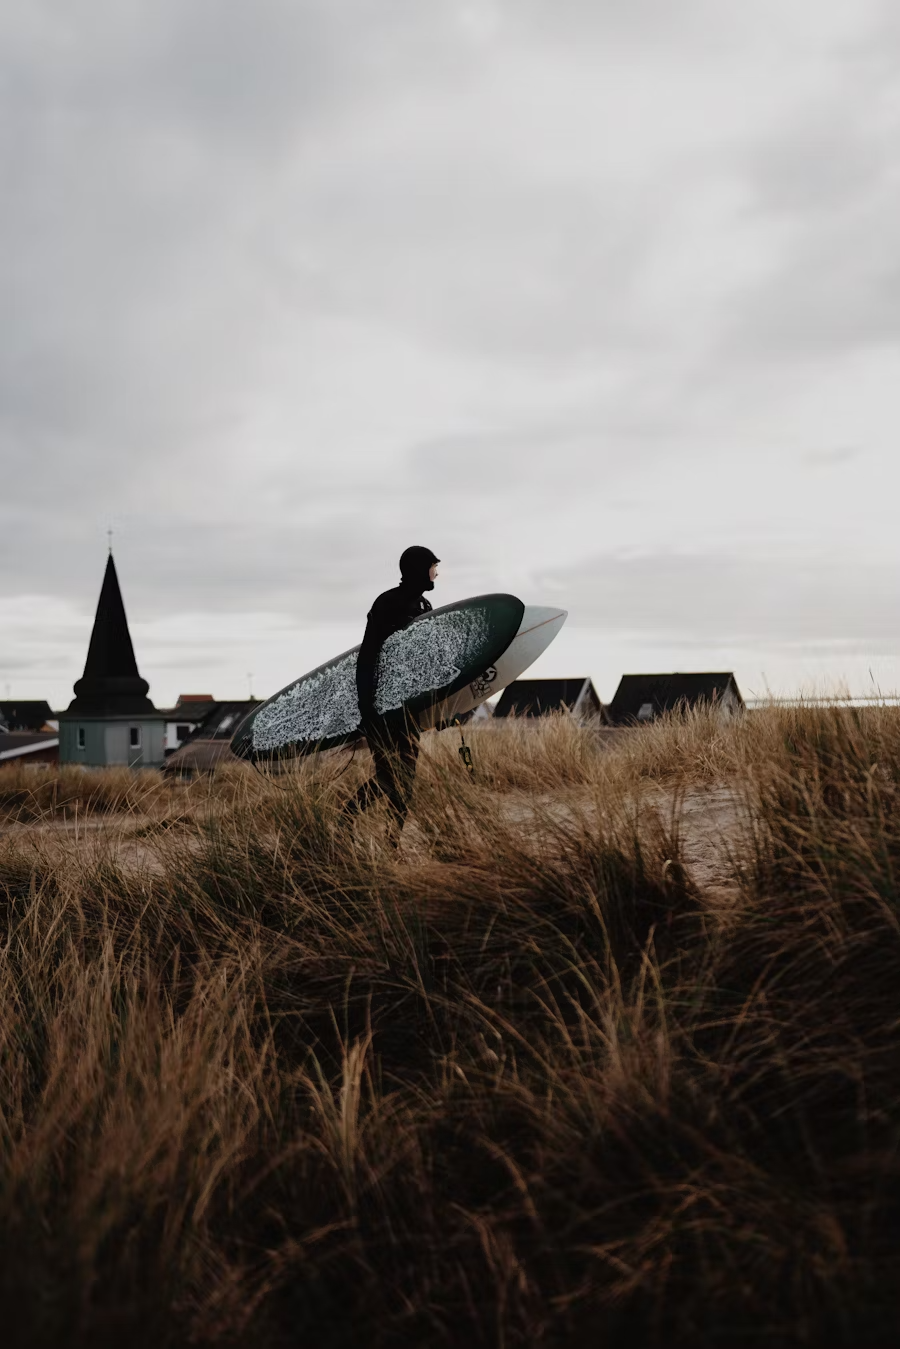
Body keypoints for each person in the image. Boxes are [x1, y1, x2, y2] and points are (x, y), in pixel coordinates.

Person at [343, 545, 440, 842]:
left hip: (408, 706)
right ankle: (347, 818)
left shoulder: (425, 608)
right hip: (381, 705)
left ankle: (392, 838)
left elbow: (428, 666)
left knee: (407, 777)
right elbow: (369, 654)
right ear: (419, 568)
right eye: (433, 566)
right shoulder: (387, 603)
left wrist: (442, 708)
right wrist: (365, 704)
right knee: (388, 776)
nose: (436, 572)